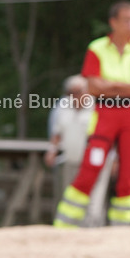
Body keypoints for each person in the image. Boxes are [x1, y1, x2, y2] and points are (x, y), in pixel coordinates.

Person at [53, 1, 130, 228]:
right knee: (91, 168)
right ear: (113, 22)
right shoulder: (97, 48)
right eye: (127, 20)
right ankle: (65, 225)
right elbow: (93, 87)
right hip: (104, 113)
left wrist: (111, 85)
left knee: (129, 173)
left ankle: (122, 229)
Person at [44, 75, 94, 209]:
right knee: (67, 196)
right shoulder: (62, 106)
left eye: (79, 92)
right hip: (69, 162)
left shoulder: (96, 107)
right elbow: (56, 132)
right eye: (71, 93)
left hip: (90, 164)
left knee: (91, 199)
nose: (75, 96)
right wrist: (51, 151)